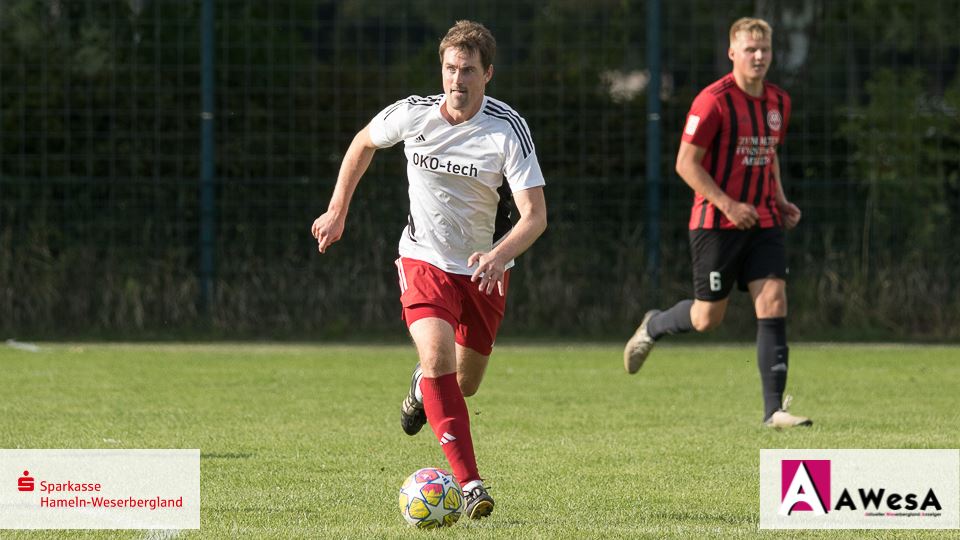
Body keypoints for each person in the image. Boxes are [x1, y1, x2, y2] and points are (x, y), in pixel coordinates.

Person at [311, 20, 547, 518]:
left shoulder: (506, 128)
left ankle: (421, 387)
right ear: (441, 69)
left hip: (484, 270)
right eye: (450, 68)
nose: (457, 80)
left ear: (489, 74)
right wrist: (338, 210)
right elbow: (363, 142)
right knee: (439, 359)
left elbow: (535, 216)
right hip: (423, 260)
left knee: (465, 382)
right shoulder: (414, 114)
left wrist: (500, 255)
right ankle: (470, 484)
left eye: (468, 71)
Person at [624, 17, 811, 429]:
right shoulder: (713, 101)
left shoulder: (779, 101)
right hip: (715, 223)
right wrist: (728, 204)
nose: (759, 57)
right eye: (750, 50)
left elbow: (769, 153)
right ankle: (654, 325)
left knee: (774, 300)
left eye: (764, 49)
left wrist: (779, 200)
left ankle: (773, 411)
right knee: (708, 318)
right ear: (733, 53)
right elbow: (685, 164)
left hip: (763, 219)